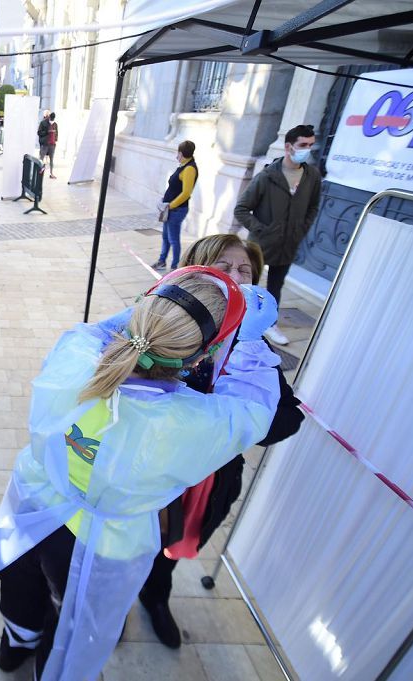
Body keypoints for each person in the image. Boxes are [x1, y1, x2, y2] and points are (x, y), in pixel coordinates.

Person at [0, 266, 281, 680]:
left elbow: (90, 333)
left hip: (34, 503)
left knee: (21, 581)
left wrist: (144, 316)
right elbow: (254, 409)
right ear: (201, 358)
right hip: (101, 542)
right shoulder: (192, 422)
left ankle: (13, 647)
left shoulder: (76, 358)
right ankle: (48, 667)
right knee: (73, 616)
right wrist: (251, 343)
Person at [138, 234, 304, 649]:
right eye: (224, 267)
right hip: (149, 471)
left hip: (208, 482)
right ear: (196, 271)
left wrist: (237, 418)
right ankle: (113, 599)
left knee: (169, 548)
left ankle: (155, 597)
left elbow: (289, 418)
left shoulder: (252, 348)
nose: (236, 277)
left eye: (245, 270)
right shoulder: (161, 322)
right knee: (126, 541)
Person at [233, 124, 322, 346]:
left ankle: (270, 324)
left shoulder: (312, 176)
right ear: (288, 146)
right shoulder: (267, 177)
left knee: (276, 286)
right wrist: (263, 229)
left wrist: (301, 229)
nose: (307, 150)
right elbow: (241, 209)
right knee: (249, 285)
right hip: (261, 245)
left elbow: (313, 207)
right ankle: (237, 321)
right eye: (303, 145)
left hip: (289, 244)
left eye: (310, 145)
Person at [152, 140, 199, 272]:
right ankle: (162, 261)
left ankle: (175, 267)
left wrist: (171, 205)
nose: (176, 156)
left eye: (178, 153)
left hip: (177, 210)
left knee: (173, 239)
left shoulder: (189, 168)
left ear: (182, 153)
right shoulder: (183, 166)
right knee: (166, 237)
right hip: (171, 209)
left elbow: (186, 193)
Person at [40, 111, 58, 178]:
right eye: (51, 118)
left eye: (53, 119)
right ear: (49, 117)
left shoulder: (55, 124)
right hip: (45, 144)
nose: (52, 120)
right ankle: (39, 171)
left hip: (52, 145)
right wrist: (47, 132)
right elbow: (39, 132)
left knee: (52, 159)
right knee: (41, 159)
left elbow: (56, 134)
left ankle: (51, 173)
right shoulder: (43, 123)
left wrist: (55, 140)